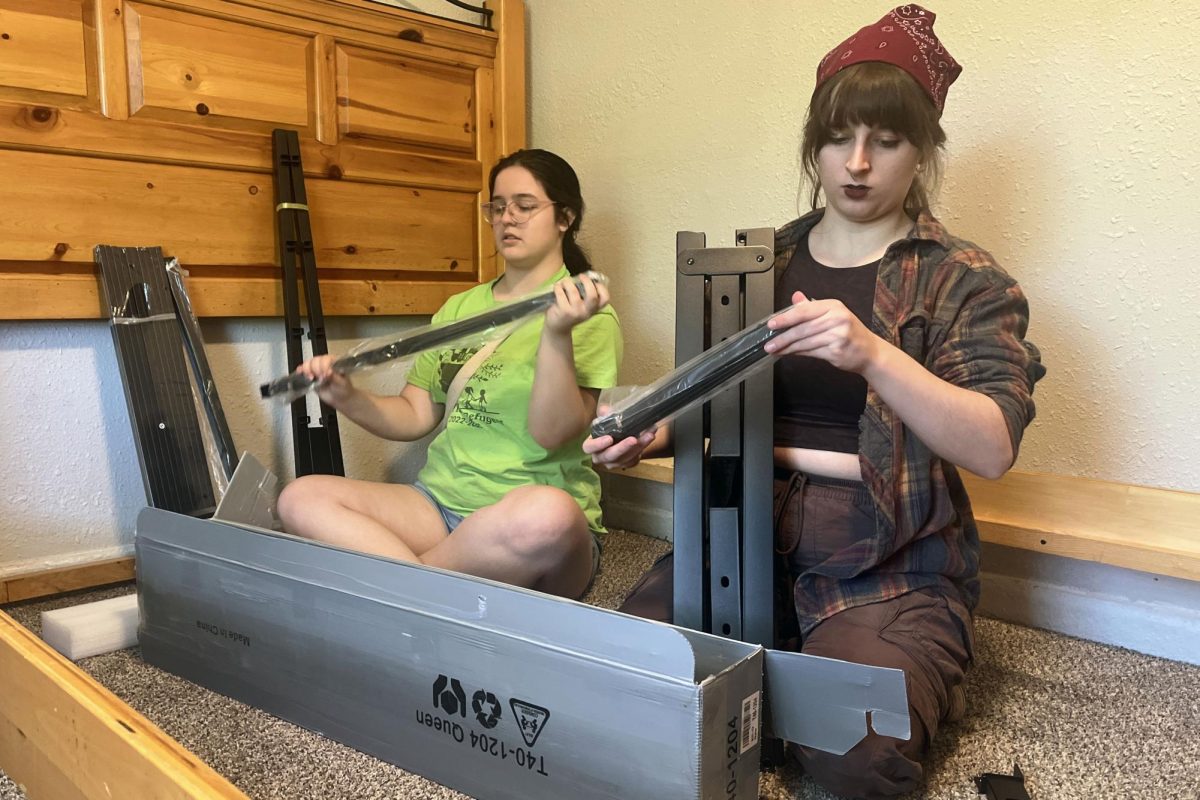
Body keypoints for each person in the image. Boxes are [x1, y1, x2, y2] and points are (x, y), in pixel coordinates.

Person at [586, 7, 1044, 799]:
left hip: (884, 560)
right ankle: (787, 662)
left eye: (887, 141)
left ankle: (899, 664)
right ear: (814, 145)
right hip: (733, 537)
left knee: (856, 764)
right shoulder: (758, 261)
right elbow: (708, 399)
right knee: (616, 699)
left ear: (923, 149)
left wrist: (872, 352)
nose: (858, 163)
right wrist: (652, 431)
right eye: (839, 139)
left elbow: (993, 445)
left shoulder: (964, 277)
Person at [278, 149, 622, 600]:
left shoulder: (589, 315)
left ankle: (399, 587)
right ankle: (428, 592)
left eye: (525, 205)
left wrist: (556, 333)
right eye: (498, 207)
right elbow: (414, 414)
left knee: (549, 514)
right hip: (437, 505)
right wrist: (345, 395)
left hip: (527, 522)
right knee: (300, 497)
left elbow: (551, 434)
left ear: (564, 217)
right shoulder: (460, 309)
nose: (508, 219)